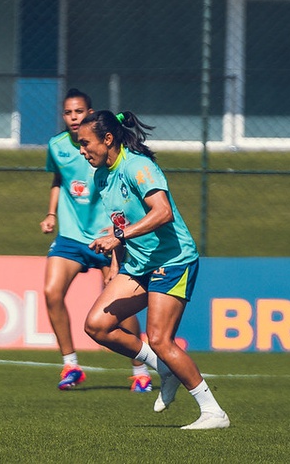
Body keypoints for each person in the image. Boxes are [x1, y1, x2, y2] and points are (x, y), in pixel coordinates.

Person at [76, 109, 229, 430]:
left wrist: (118, 236)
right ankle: (164, 368)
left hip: (172, 261)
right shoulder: (102, 174)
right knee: (97, 326)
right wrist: (115, 258)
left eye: (85, 143)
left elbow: (162, 213)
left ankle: (213, 412)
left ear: (107, 139)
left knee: (160, 338)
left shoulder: (139, 167)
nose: (82, 150)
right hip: (139, 264)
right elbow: (122, 222)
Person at [41, 89, 152, 392]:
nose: (74, 117)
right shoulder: (57, 146)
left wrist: (118, 236)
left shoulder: (110, 153)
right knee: (51, 292)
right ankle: (71, 366)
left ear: (90, 114)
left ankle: (140, 370)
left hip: (108, 237)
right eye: (68, 112)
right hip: (71, 236)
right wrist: (51, 213)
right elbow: (58, 180)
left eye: (79, 112)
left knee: (117, 306)